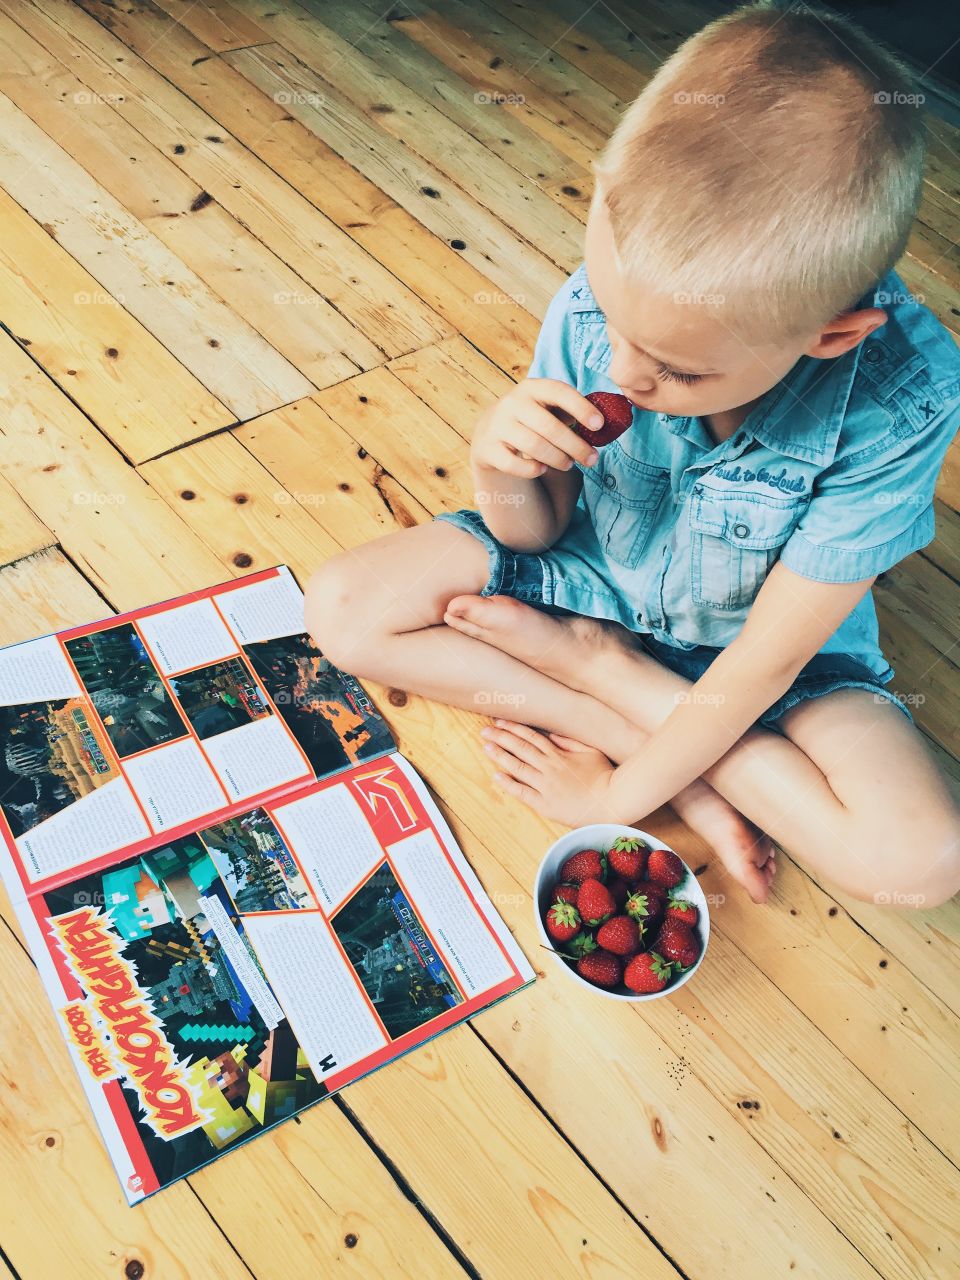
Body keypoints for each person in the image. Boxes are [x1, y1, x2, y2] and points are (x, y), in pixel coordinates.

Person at [306, 1, 960, 908]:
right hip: (598, 573)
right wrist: (501, 465)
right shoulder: (612, 297)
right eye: (612, 321)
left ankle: (598, 676)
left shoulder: (902, 402)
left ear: (832, 336)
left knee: (919, 862)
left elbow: (764, 665)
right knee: (342, 609)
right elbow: (537, 537)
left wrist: (616, 789)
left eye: (680, 369)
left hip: (763, 654)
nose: (622, 370)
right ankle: (678, 760)